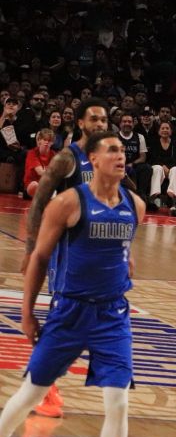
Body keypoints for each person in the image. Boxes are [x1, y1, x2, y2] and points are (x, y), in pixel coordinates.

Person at [0, 130, 142, 437]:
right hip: (69, 312)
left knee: (118, 402)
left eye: (122, 150)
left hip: (112, 315)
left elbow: (124, 250)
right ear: (93, 159)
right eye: (112, 150)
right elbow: (39, 259)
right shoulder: (67, 203)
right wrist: (27, 313)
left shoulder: (136, 205)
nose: (120, 156)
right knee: (30, 394)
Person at [18, 98, 110, 418]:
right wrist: (31, 250)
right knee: (61, 321)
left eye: (104, 120)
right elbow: (40, 201)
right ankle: (42, 387)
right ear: (81, 124)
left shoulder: (108, 158)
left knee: (90, 324)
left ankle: (43, 381)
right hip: (67, 253)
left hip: (97, 258)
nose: (100, 124)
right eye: (94, 119)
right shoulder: (68, 158)